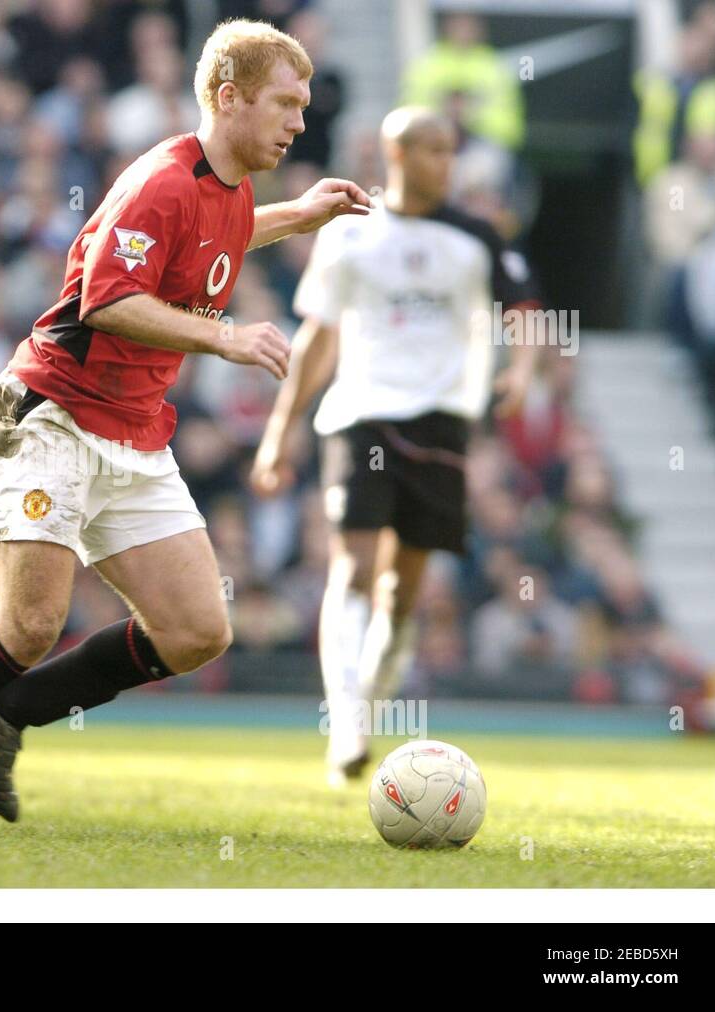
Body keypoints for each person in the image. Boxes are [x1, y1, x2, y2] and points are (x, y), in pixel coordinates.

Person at [0, 18, 371, 835]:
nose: (300, 122)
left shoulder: (229, 188)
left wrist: (296, 216)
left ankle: (10, 713)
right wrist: (223, 335)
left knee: (198, 630)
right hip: (51, 417)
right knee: (28, 624)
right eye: (286, 103)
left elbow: (222, 236)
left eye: (304, 107)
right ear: (228, 98)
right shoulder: (160, 180)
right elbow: (106, 300)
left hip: (132, 430)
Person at [250, 107, 540, 784]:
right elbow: (319, 338)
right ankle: (346, 723)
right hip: (363, 414)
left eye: (452, 150)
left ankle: (368, 705)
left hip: (442, 421)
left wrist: (521, 371)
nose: (449, 163)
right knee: (351, 569)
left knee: (401, 594)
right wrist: (279, 432)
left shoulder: (476, 235)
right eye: (435, 150)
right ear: (398, 157)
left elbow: (523, 308)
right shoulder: (350, 235)